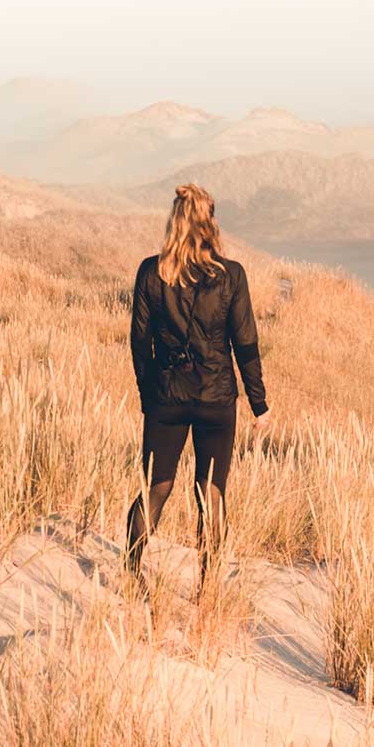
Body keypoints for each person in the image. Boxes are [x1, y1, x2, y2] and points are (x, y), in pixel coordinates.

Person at [124, 183, 269, 595]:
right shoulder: (232, 275)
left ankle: (132, 573)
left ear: (175, 222)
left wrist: (147, 393)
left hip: (166, 398)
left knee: (157, 487)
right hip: (216, 399)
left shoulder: (151, 272)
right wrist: (259, 405)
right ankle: (208, 592)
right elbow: (246, 343)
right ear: (210, 224)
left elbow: (139, 342)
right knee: (211, 493)